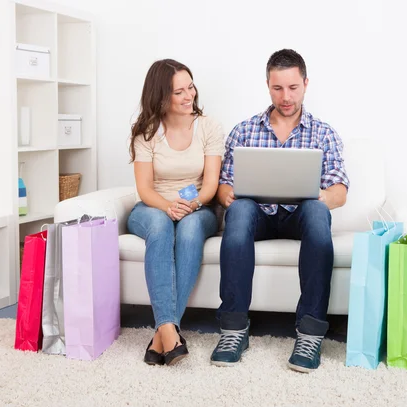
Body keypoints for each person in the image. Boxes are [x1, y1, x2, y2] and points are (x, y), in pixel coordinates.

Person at [210, 49, 350, 373]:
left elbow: (339, 192)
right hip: (258, 215)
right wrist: (226, 194)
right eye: (277, 88)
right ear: (267, 85)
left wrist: (317, 196)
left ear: (305, 84)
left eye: (293, 88)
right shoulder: (244, 130)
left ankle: (310, 334)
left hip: (299, 214)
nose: (285, 97)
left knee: (317, 213)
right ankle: (233, 329)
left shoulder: (324, 133)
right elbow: (223, 184)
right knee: (240, 211)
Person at [127, 59, 225, 366]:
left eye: (190, 87)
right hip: (154, 206)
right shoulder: (146, 132)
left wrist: (191, 204)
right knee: (159, 227)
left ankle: (163, 334)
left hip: (199, 207)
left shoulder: (209, 126)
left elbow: (211, 184)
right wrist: (167, 207)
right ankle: (169, 332)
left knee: (191, 228)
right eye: (178, 92)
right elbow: (144, 189)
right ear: (160, 97)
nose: (188, 96)